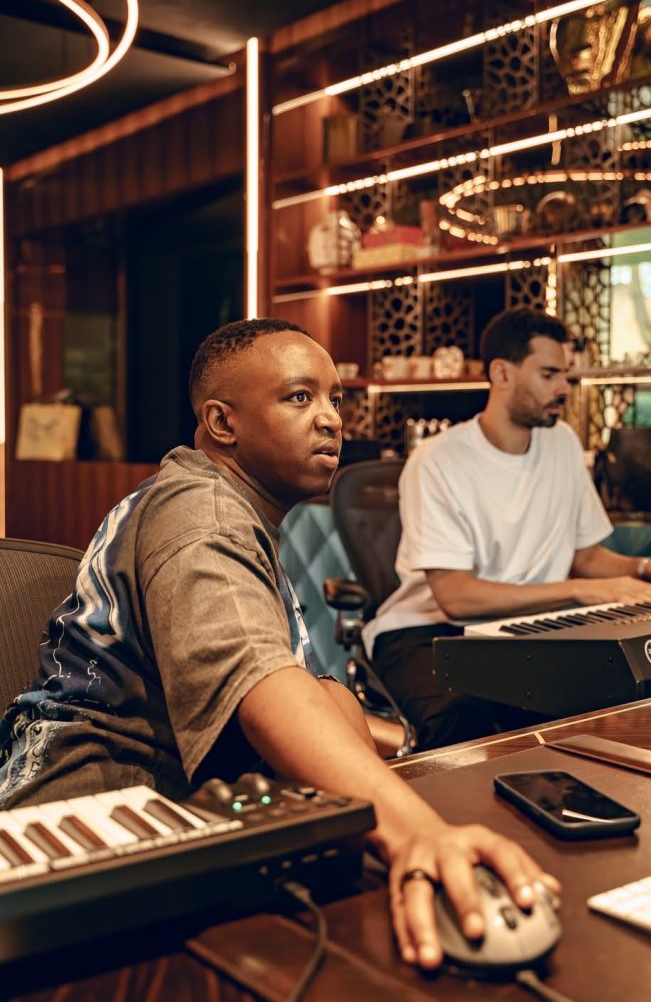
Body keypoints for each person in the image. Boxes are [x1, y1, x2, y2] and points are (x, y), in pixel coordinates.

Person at [0, 318, 558, 970]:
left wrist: (331, 712)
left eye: (335, 399)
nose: (331, 419)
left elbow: (323, 702)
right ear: (222, 422)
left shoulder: (237, 516)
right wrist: (420, 835)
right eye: (299, 397)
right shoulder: (201, 516)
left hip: (174, 820)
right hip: (75, 847)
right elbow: (268, 687)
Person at [364, 307, 651, 752]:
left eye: (565, 374)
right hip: (425, 631)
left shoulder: (562, 442)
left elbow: (586, 556)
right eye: (549, 374)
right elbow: (457, 597)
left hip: (525, 628)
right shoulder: (438, 460)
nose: (565, 388)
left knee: (603, 699)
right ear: (501, 373)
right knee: (465, 719)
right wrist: (581, 591)